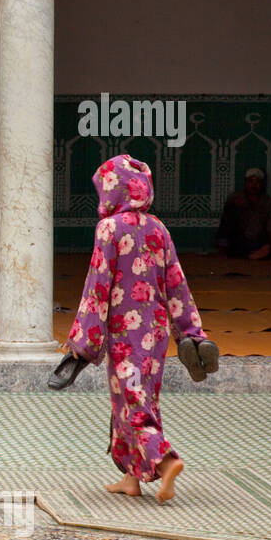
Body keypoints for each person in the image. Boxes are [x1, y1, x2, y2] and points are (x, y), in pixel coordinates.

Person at [65, 155, 214, 503]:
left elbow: (96, 285)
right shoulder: (158, 228)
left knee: (132, 404)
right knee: (138, 399)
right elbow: (176, 284)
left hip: (124, 334)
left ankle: (166, 461)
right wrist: (191, 333)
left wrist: (83, 340)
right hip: (157, 332)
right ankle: (132, 478)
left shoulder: (109, 229)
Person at [216, 167, 271, 259]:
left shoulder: (270, 203)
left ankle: (249, 255)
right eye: (250, 181)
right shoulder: (235, 199)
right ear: (245, 183)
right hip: (238, 241)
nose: (254, 185)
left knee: (268, 248)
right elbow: (225, 225)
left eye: (257, 182)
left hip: (257, 241)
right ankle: (228, 253)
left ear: (262, 184)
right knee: (231, 213)